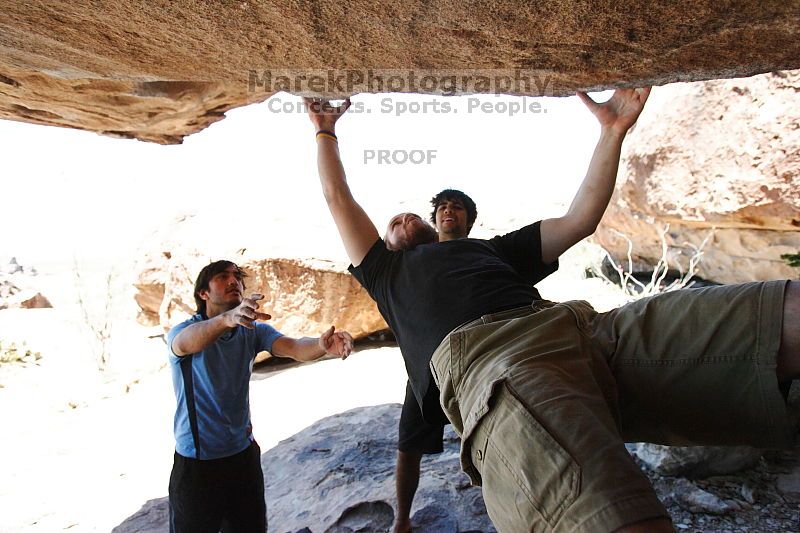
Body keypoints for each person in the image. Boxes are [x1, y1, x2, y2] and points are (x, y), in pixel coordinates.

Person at [305, 91, 799, 533]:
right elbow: (335, 196)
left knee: (778, 310)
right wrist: (325, 130)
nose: (406, 219)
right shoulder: (386, 274)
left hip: (589, 330)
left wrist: (611, 132)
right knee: (612, 515)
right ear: (383, 246)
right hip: (499, 365)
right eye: (395, 222)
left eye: (415, 213)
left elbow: (580, 218)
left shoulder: (492, 250)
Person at [167, 260, 354, 533]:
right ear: (203, 293)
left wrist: (321, 346)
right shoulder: (185, 331)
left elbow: (292, 347)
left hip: (243, 456)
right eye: (222, 276)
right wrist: (227, 319)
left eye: (237, 277)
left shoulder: (252, 331)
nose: (234, 281)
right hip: (197, 464)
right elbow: (184, 343)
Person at [393, 189, 478, 533]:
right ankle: (401, 519)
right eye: (442, 207)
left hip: (474, 358)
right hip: (426, 370)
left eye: (457, 208)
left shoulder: (481, 252)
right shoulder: (406, 262)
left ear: (469, 220)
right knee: (408, 446)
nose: (448, 211)